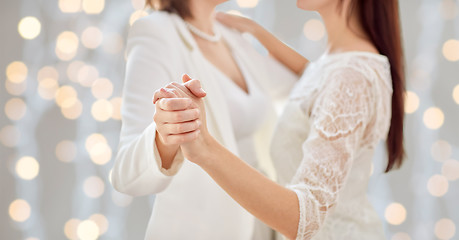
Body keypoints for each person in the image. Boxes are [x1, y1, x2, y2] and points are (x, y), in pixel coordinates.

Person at [152, 0, 406, 239]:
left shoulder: (350, 77)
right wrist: (257, 32)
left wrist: (205, 148)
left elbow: (305, 217)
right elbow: (314, 76)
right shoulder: (339, 63)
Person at [110, 0, 300, 239]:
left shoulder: (230, 37)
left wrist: (259, 32)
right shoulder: (156, 32)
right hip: (207, 230)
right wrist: (165, 137)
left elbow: (310, 86)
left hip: (265, 221)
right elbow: (125, 175)